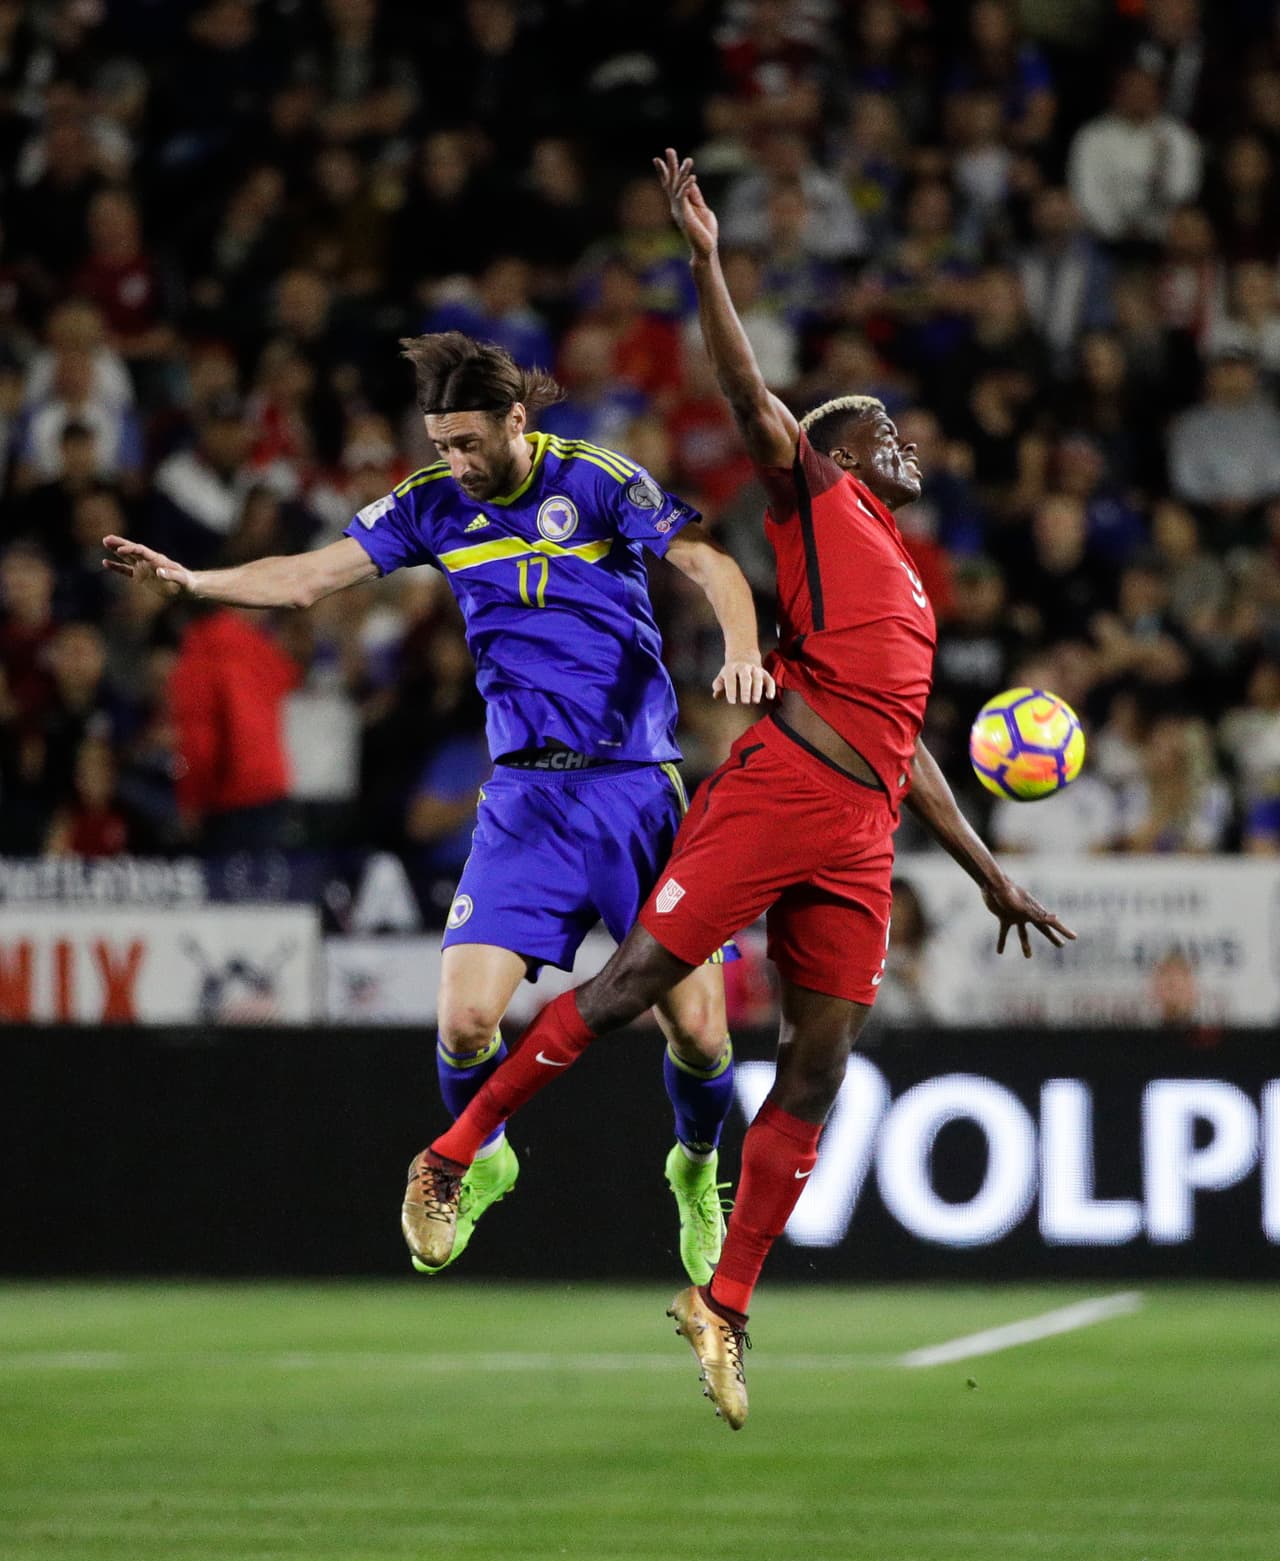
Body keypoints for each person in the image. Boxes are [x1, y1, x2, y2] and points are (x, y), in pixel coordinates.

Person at [403, 154, 1075, 1429]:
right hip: (776, 793)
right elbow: (746, 391)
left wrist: (988, 871)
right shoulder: (811, 491)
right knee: (629, 992)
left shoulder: (905, 568)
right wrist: (706, 261)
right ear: (827, 448)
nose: (901, 438)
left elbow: (904, 742)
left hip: (859, 826)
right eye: (880, 422)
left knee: (816, 1067)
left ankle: (721, 1301)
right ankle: (451, 1154)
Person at [102, 331, 772, 1287]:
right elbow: (306, 577)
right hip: (526, 797)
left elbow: (709, 563)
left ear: (515, 419)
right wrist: (193, 581)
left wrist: (739, 649)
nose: (454, 462)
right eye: (439, 443)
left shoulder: (594, 481)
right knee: (462, 1022)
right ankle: (481, 1153)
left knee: (701, 1034)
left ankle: (697, 1173)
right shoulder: (430, 505)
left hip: (634, 788)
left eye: (467, 441)